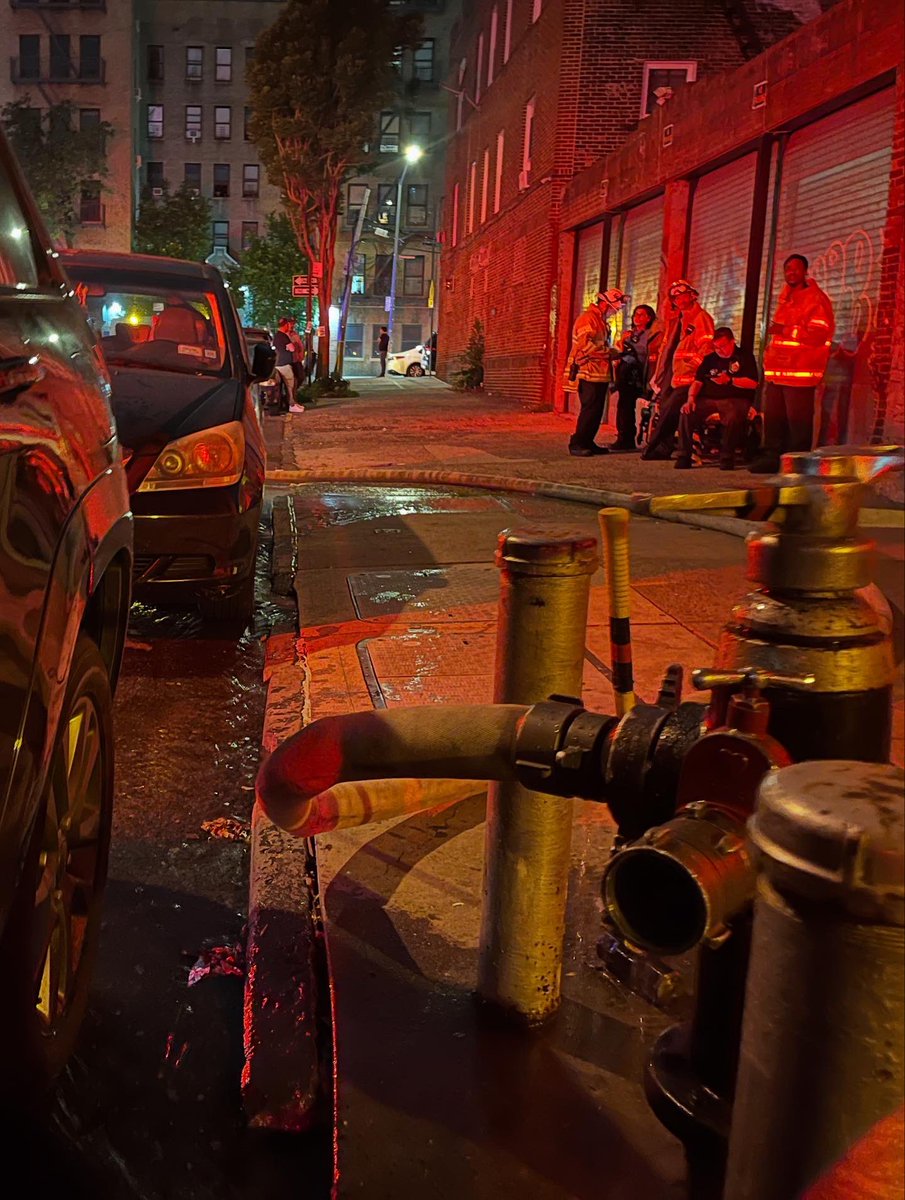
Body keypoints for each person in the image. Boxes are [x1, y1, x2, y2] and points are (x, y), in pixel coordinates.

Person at [753, 253, 834, 472]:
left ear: (805, 271)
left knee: (798, 424)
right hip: (778, 374)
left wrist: (786, 330)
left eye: (796, 268)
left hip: (800, 374)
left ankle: (797, 464)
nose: (791, 272)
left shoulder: (815, 299)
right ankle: (772, 459)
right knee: (774, 420)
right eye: (787, 269)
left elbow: (819, 335)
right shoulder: (786, 299)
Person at [642, 280, 714, 460]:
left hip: (689, 378)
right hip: (674, 376)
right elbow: (668, 350)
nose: (679, 300)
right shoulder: (677, 321)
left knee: (669, 411)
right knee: (665, 410)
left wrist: (693, 367)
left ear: (692, 295)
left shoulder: (701, 318)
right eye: (675, 297)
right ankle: (662, 449)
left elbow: (707, 349)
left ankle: (652, 448)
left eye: (682, 295)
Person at [675, 326, 759, 471]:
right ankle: (684, 456)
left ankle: (727, 457)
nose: (720, 350)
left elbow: (753, 383)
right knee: (686, 412)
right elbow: (698, 382)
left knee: (733, 415)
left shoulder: (745, 357)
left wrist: (730, 380)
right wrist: (691, 399)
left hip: (735, 398)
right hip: (709, 399)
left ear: (732, 341)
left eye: (723, 346)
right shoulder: (710, 359)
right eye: (716, 347)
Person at [565, 288, 628, 457]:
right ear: (606, 305)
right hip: (588, 373)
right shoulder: (588, 319)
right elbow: (586, 347)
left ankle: (587, 442)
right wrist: (612, 352)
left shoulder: (599, 321)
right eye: (614, 310)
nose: (614, 314)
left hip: (598, 374)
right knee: (590, 410)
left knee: (596, 411)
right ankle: (577, 443)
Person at [611, 304, 660, 451]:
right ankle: (624, 438)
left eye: (641, 315)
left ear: (649, 317)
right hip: (626, 376)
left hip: (640, 376)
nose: (637, 318)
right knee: (624, 406)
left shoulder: (651, 335)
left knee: (628, 406)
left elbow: (648, 354)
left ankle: (628, 439)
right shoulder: (630, 334)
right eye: (635, 315)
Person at [275, 315, 305, 415]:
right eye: (290, 323)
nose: (291, 325)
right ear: (286, 325)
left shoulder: (279, 335)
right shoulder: (283, 335)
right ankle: (291, 404)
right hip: (285, 364)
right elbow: (292, 348)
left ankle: (291, 403)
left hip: (290, 362)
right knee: (290, 384)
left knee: (296, 380)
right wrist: (293, 347)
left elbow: (299, 346)